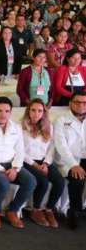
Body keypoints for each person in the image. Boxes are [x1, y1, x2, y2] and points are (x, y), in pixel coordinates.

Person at [0, 97, 36, 229]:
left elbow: (20, 150)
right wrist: (1, 170)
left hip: (11, 164)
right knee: (3, 182)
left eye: (7, 111)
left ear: (11, 112)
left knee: (31, 181)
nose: (3, 114)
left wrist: (15, 168)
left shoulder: (16, 127)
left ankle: (13, 210)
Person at [21, 99, 63, 228]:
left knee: (59, 182)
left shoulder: (48, 126)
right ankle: (36, 210)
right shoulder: (21, 126)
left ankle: (49, 209)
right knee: (43, 181)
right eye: (33, 110)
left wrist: (46, 163)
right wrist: (35, 165)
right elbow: (20, 150)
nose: (36, 114)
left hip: (44, 161)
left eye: (40, 111)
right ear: (28, 111)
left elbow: (51, 147)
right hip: (27, 161)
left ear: (44, 113)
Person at [53, 91, 86, 229]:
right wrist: (73, 164)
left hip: (84, 157)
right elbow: (61, 146)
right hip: (68, 160)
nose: (81, 105)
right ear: (70, 103)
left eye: (84, 103)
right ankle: (74, 210)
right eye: (77, 102)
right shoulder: (61, 120)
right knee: (77, 178)